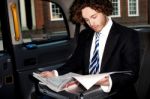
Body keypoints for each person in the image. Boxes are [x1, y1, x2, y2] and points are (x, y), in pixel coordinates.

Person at [40, 0, 140, 99]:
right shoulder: (85, 35)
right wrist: (55, 73)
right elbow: (75, 61)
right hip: (88, 92)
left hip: (116, 93)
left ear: (104, 10)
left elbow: (131, 73)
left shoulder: (127, 35)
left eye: (94, 17)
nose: (91, 23)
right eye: (86, 20)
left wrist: (107, 80)